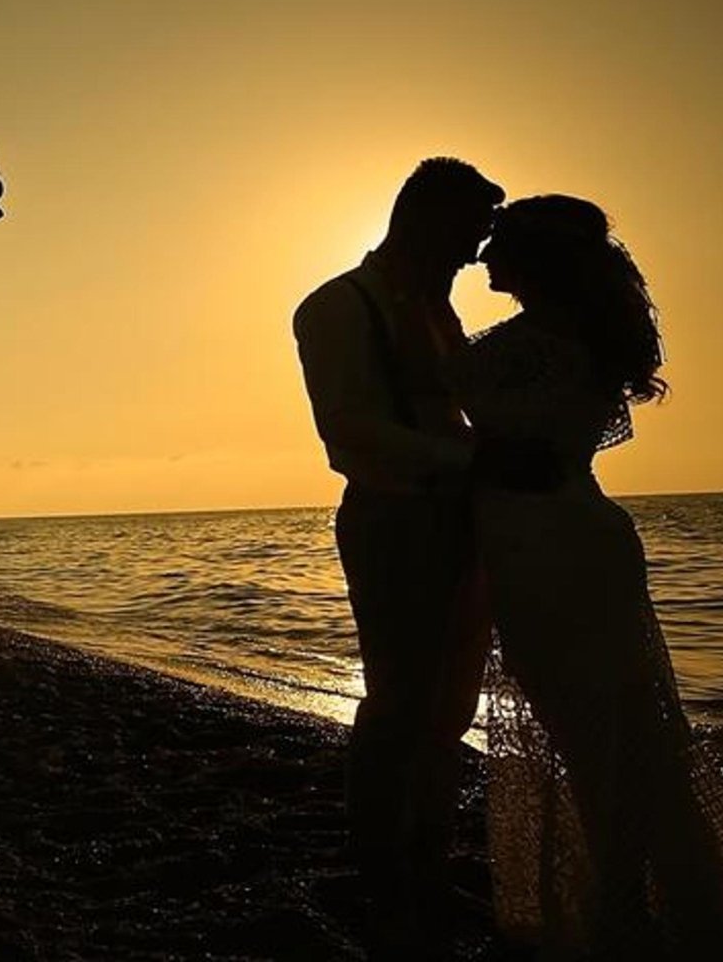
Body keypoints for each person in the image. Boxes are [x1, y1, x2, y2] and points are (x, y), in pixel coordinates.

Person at [450, 195, 723, 957]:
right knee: (634, 738)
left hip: (546, 548)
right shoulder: (584, 339)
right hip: (585, 538)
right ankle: (659, 905)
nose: (481, 257)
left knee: (592, 742)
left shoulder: (517, 349)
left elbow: (480, 436)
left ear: (536, 258)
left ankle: (618, 913)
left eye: (498, 243)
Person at [292, 158, 505, 957]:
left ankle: (428, 858)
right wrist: (477, 464)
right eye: (467, 233)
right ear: (423, 218)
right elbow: (348, 429)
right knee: (397, 703)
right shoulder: (336, 306)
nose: (475, 254)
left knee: (450, 708)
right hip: (392, 520)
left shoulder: (438, 308)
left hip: (463, 524)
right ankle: (381, 872)